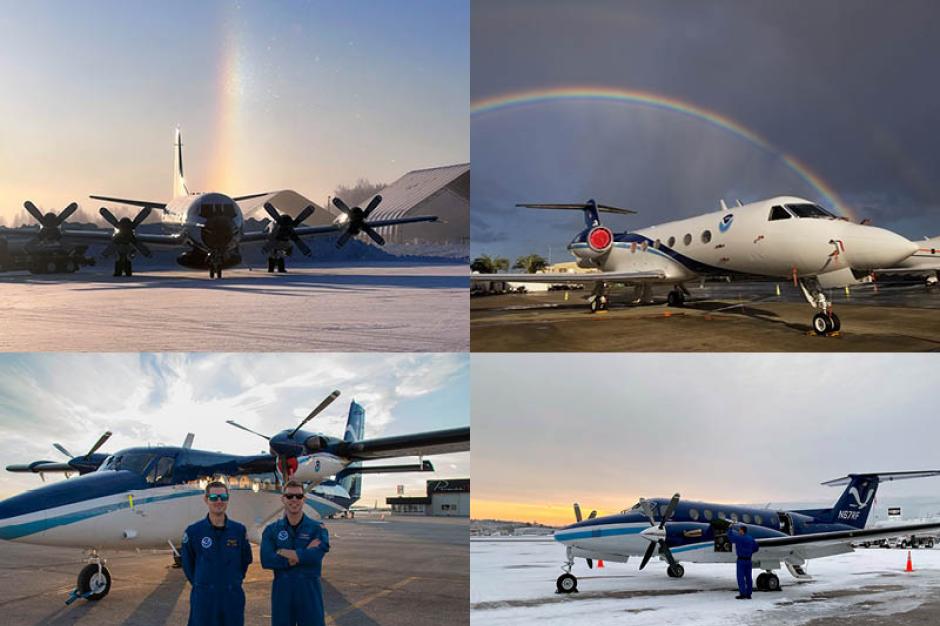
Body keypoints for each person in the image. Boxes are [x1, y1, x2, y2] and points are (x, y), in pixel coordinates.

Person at [181, 481, 253, 626]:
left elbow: (245, 560)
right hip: (204, 600)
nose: (219, 501)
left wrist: (232, 581)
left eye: (223, 497)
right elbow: (188, 565)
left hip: (231, 597)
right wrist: (203, 583)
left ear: (227, 499)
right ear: (206, 499)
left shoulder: (239, 531)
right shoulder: (194, 532)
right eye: (214, 497)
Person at [261, 480, 331, 626]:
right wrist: (300, 555)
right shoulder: (271, 530)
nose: (294, 500)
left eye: (298, 496)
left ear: (304, 499)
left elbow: (316, 556)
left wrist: (281, 552)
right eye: (290, 496)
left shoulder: (317, 528)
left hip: (309, 592)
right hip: (282, 593)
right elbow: (266, 560)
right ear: (283, 498)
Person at [727, 524, 759, 599]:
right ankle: (749, 594)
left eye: (739, 530)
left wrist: (730, 528)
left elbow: (730, 537)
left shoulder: (739, 538)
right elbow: (756, 548)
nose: (738, 532)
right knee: (748, 577)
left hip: (741, 560)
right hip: (748, 560)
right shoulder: (750, 538)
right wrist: (750, 552)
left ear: (742, 531)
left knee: (740, 577)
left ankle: (743, 594)